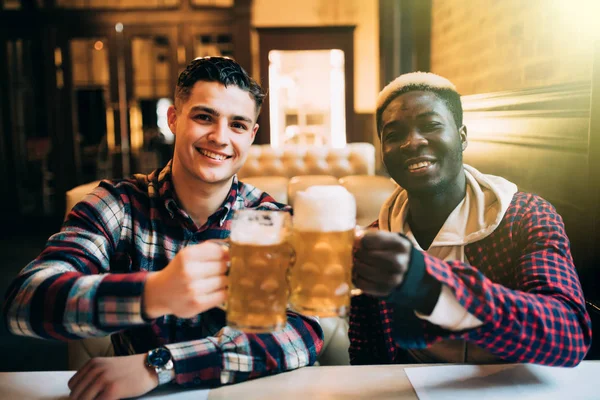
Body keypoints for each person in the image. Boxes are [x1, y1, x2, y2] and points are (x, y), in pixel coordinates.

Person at [3, 57, 323, 399]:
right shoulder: (119, 204)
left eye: (238, 125)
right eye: (204, 117)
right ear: (174, 119)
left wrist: (164, 365)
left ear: (252, 135)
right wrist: (154, 292)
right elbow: (24, 302)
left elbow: (305, 329)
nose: (219, 137)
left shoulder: (270, 218)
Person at [349, 72, 591, 366]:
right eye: (394, 135)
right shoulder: (376, 242)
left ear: (462, 137)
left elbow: (569, 334)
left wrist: (432, 287)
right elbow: (367, 359)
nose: (412, 142)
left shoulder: (524, 217)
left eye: (430, 125)